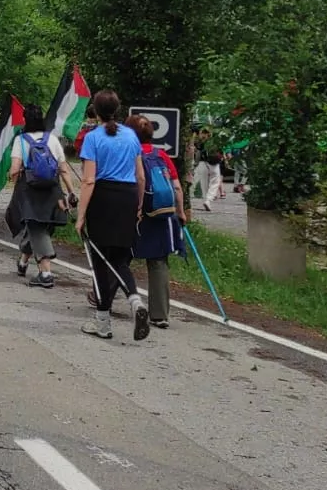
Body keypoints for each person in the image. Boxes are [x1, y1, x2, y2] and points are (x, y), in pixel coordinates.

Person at [75, 90, 151, 342]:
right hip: (127, 196)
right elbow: (140, 175)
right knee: (120, 259)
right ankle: (135, 300)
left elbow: (88, 180)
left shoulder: (92, 138)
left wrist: (81, 214)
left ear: (95, 111)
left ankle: (103, 322)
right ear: (118, 109)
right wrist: (139, 204)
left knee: (99, 260)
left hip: (103, 197)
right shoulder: (131, 136)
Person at [4, 110, 78, 288]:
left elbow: (14, 170)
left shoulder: (20, 140)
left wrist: (14, 178)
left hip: (29, 191)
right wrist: (71, 191)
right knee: (40, 226)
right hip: (52, 189)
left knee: (36, 228)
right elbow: (63, 168)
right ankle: (23, 262)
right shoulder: (52, 139)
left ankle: (46, 273)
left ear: (25, 121)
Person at [128, 114, 188, 328]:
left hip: (138, 214)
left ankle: (103, 298)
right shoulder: (162, 155)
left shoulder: (131, 153)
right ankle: (160, 314)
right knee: (158, 262)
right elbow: (177, 186)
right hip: (163, 215)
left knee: (121, 257)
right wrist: (180, 212)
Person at [191, 126, 224, 211]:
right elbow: (221, 150)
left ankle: (206, 200)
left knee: (204, 184)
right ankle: (208, 200)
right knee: (215, 182)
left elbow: (195, 149)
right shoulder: (215, 141)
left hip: (203, 163)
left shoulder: (198, 141)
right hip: (214, 163)